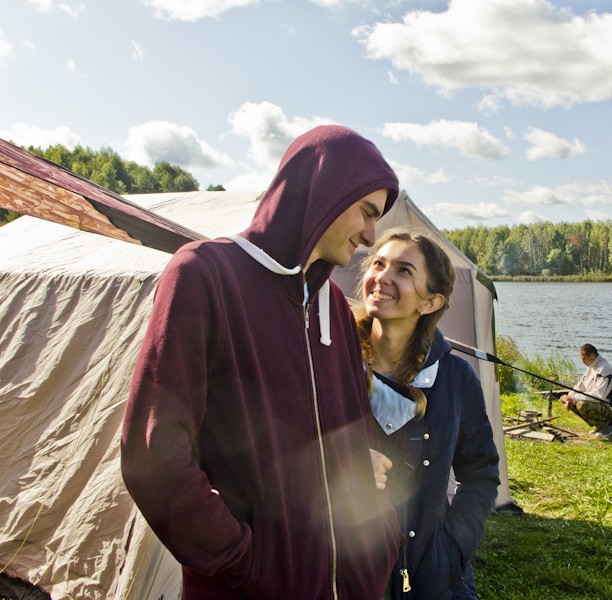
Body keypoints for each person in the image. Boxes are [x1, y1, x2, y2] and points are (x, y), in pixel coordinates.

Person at [120, 125, 405, 599]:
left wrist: (380, 539)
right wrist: (244, 561)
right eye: (366, 212)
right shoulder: (205, 275)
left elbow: (355, 428)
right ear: (325, 193)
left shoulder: (333, 304)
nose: (372, 235)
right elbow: (155, 456)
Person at [353, 228, 500, 599]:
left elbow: (481, 472)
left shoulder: (454, 378)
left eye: (403, 271)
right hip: (348, 573)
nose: (382, 277)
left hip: (433, 580)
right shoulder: (332, 362)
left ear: (431, 302)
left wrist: (451, 550)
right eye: (379, 263)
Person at [559, 343, 612, 439]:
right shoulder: (591, 367)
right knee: (569, 401)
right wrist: (569, 397)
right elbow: (579, 387)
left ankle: (609, 425)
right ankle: (601, 426)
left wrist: (573, 398)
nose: (582, 361)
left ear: (592, 356)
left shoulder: (605, 369)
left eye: (584, 358)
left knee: (582, 405)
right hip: (601, 403)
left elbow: (598, 395)